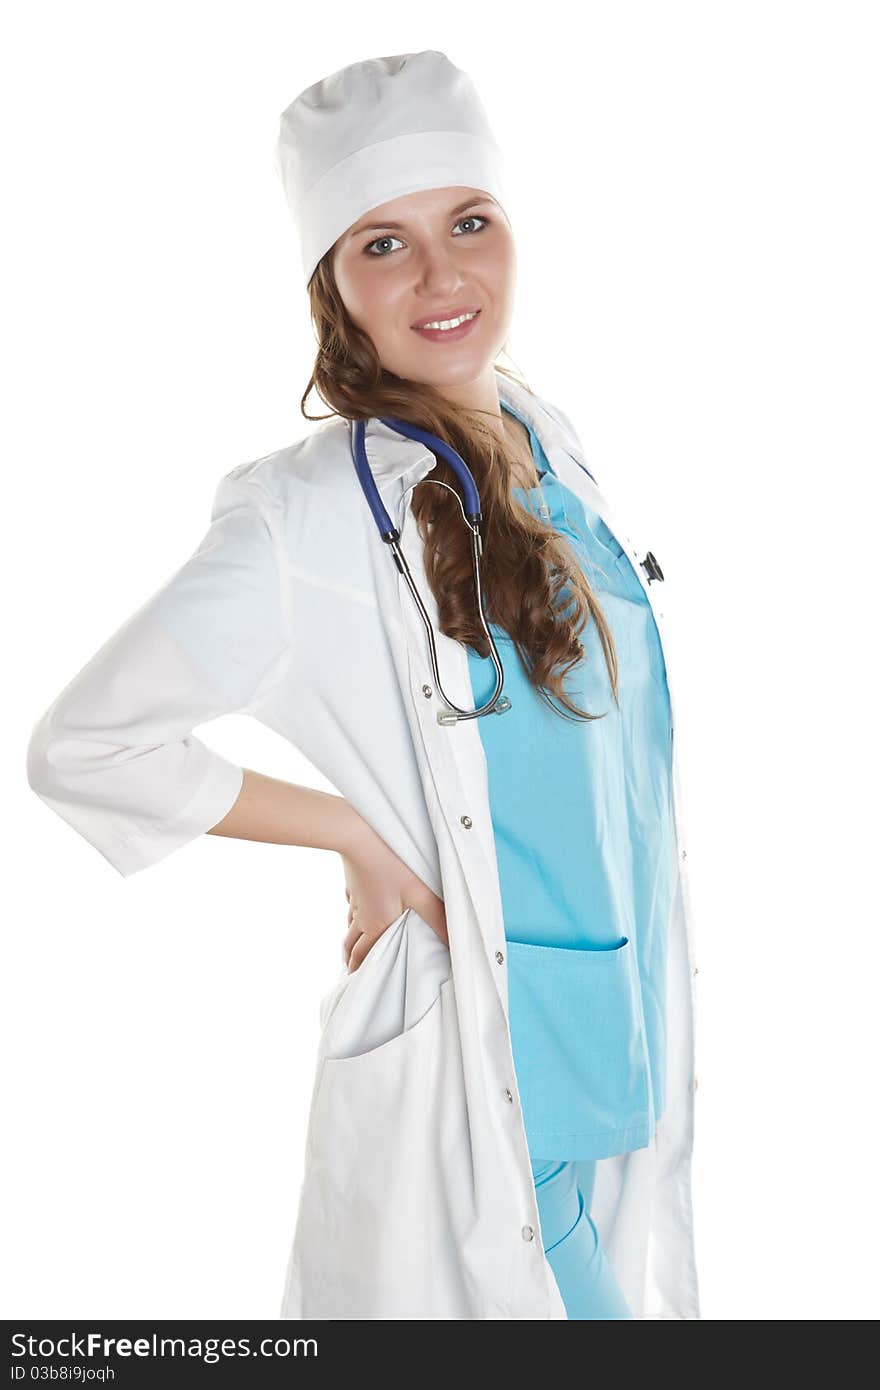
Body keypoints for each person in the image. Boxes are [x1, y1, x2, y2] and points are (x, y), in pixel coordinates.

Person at [26, 51, 701, 1320]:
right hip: (478, 1067)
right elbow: (86, 745)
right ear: (333, 287)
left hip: (611, 1032)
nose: (442, 276)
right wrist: (356, 836)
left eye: (468, 222)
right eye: (382, 244)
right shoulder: (305, 519)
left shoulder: (547, 437)